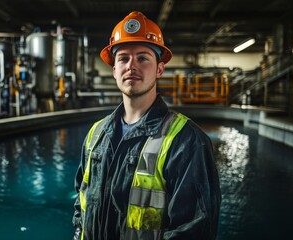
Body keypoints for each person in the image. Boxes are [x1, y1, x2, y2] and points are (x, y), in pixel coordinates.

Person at [72, 11, 221, 240]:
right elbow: (80, 207)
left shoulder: (187, 141)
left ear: (159, 69)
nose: (132, 66)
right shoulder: (96, 135)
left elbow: (194, 231)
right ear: (114, 71)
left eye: (143, 58)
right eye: (123, 59)